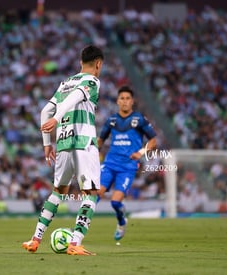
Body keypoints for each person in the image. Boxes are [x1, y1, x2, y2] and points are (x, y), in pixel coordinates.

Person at [22, 45, 104, 256]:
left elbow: (44, 110)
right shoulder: (92, 81)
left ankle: (34, 239)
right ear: (98, 64)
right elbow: (76, 97)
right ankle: (75, 243)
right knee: (91, 193)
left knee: (58, 192)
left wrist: (46, 144)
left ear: (80, 62)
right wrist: (57, 119)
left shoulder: (65, 82)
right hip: (84, 142)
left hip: (64, 144)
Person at [97, 86, 157, 241]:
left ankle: (121, 221)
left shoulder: (139, 120)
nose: (124, 101)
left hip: (128, 167)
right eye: (122, 98)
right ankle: (78, 230)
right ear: (117, 101)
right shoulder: (111, 121)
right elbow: (100, 141)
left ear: (132, 101)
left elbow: (153, 141)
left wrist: (141, 152)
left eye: (127, 98)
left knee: (115, 202)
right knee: (95, 195)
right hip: (110, 164)